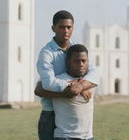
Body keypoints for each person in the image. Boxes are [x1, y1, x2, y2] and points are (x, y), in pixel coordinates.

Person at [36, 10, 98, 140]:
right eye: (61, 27)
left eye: (69, 27)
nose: (66, 31)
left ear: (73, 28)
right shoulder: (46, 53)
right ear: (53, 28)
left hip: (73, 114)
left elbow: (93, 71)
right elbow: (48, 84)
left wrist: (80, 86)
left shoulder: (75, 47)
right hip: (51, 113)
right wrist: (75, 88)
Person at [36, 44, 95, 140]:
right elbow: (38, 89)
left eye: (84, 61)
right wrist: (68, 92)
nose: (81, 64)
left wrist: (81, 86)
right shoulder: (58, 80)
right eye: (76, 61)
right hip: (65, 136)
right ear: (68, 62)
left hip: (88, 137)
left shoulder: (89, 80)